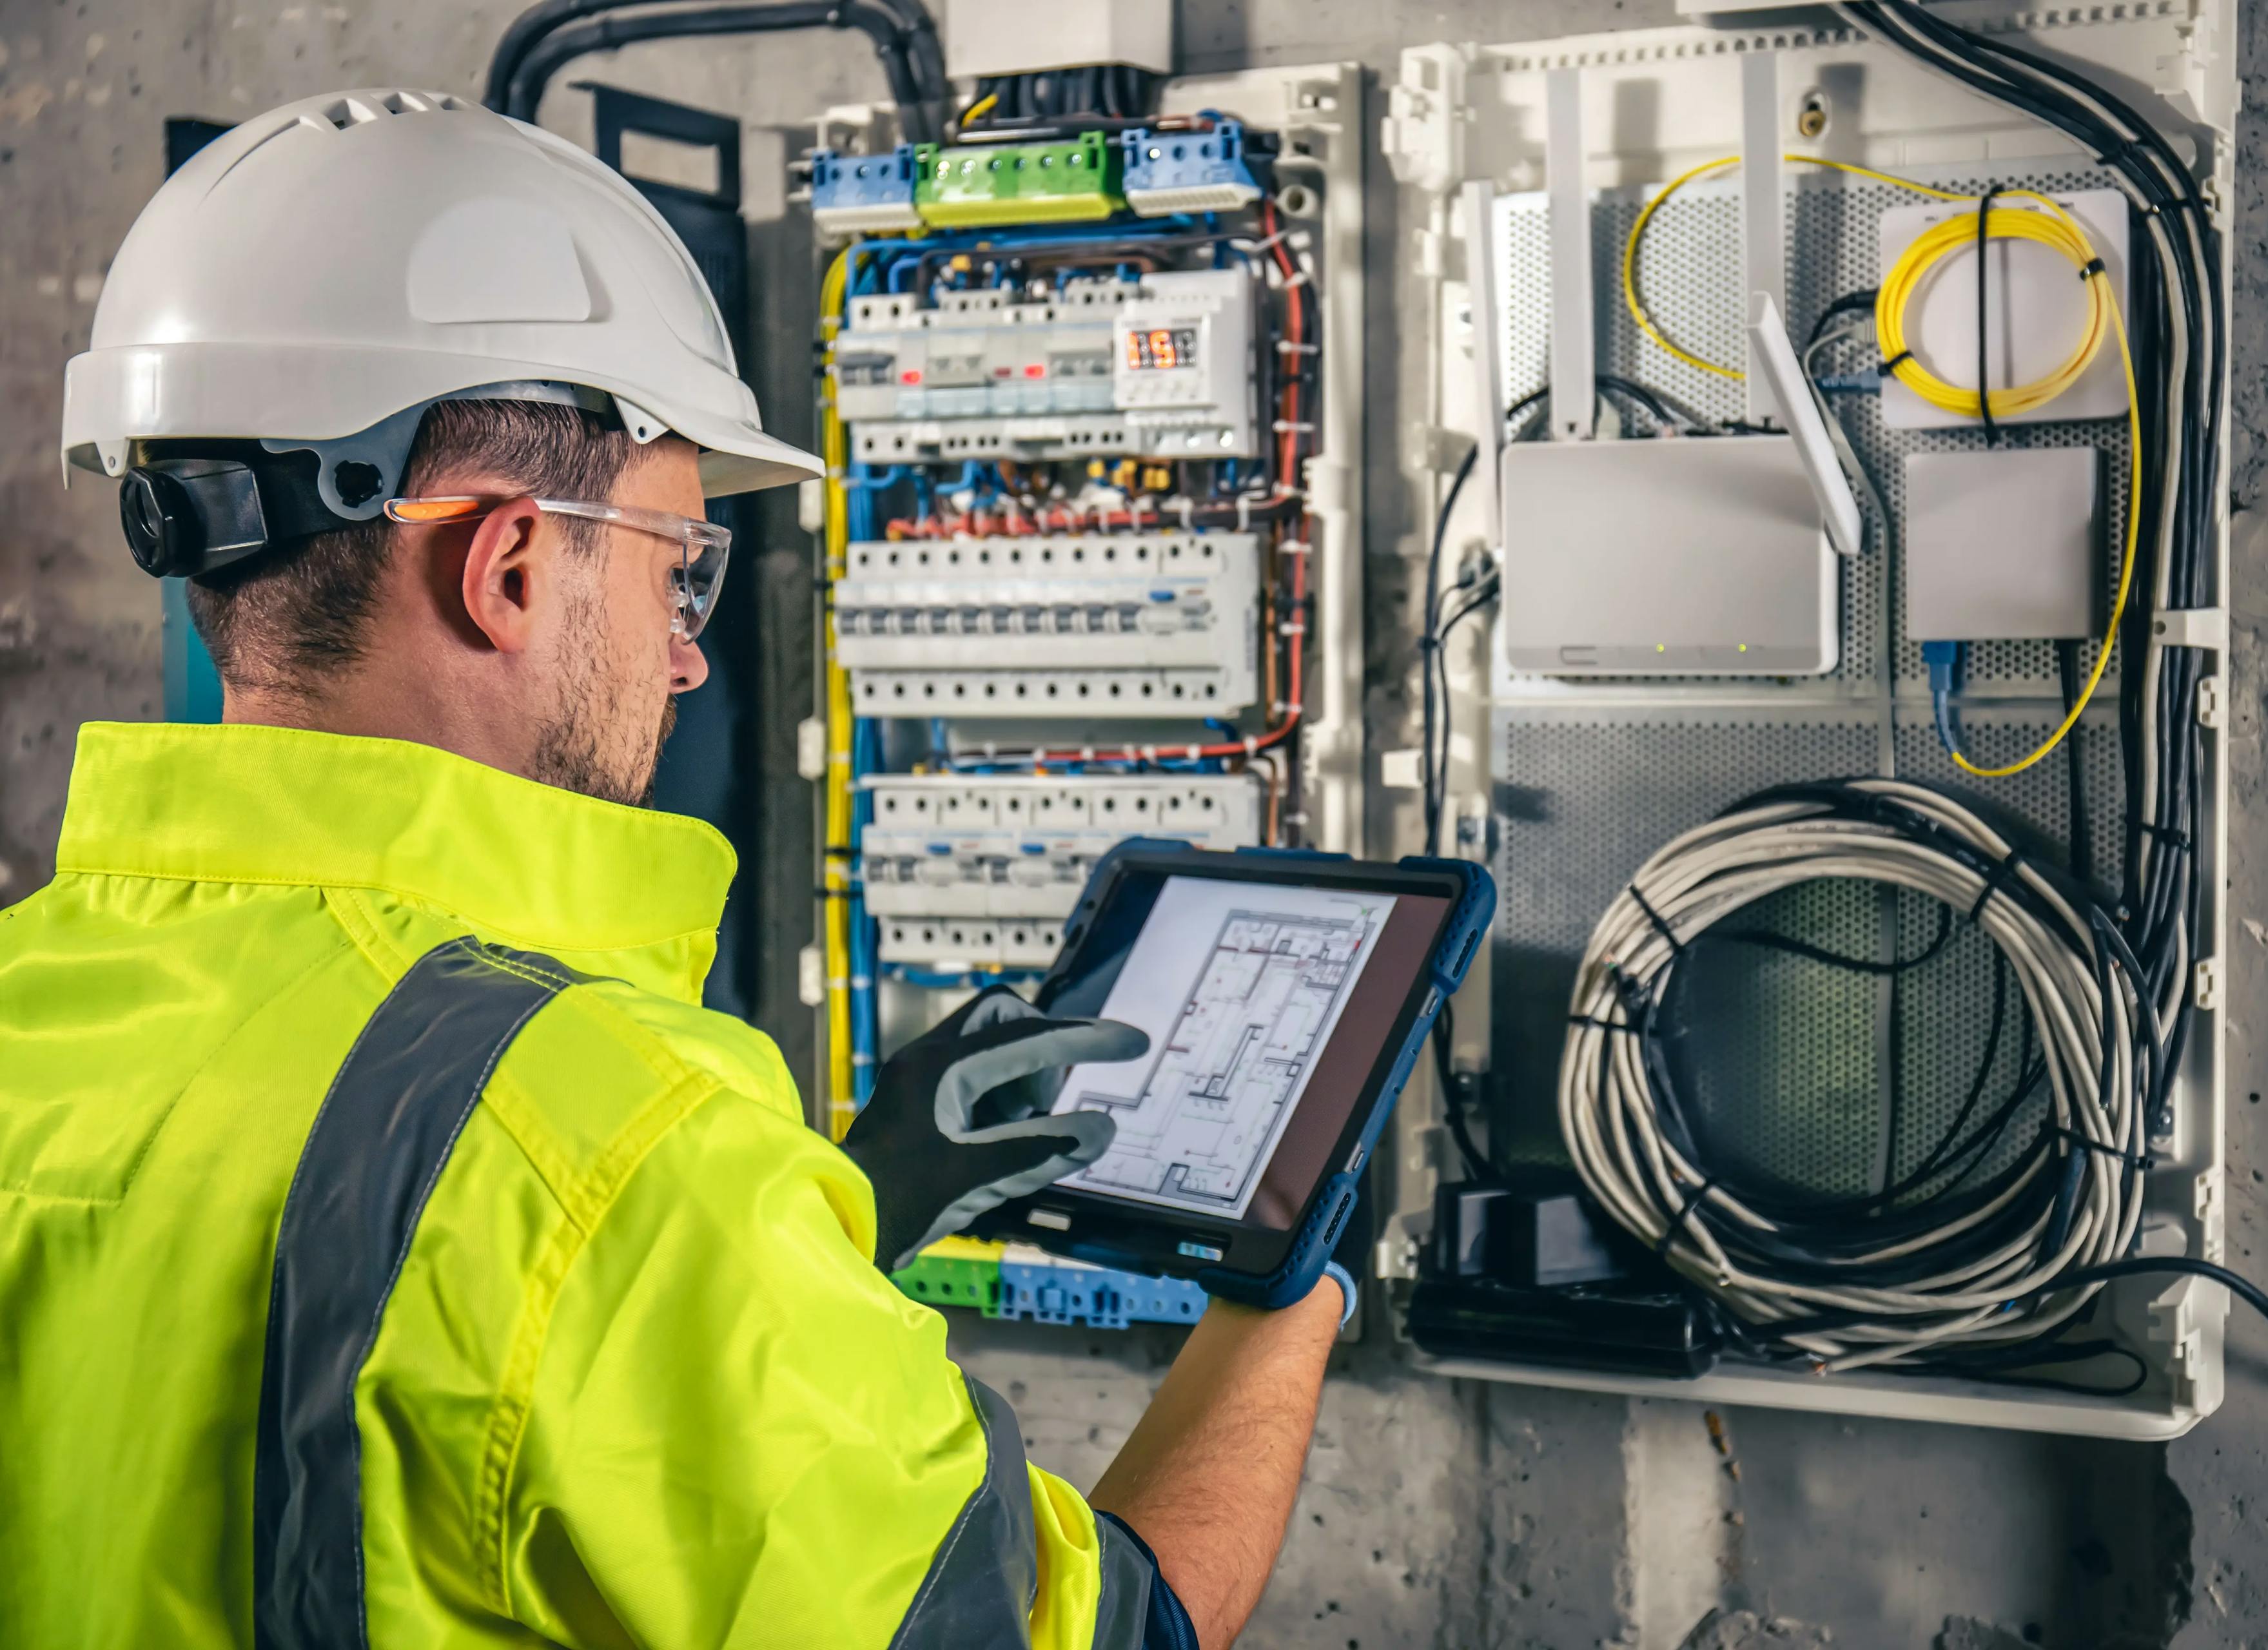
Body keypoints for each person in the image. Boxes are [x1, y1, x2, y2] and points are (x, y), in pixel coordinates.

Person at [0, 88, 1347, 1650]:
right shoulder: (627, 1152)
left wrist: (851, 1206)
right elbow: (1105, 1631)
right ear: (505, 567)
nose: (686, 655)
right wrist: (1288, 1291)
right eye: (674, 563)